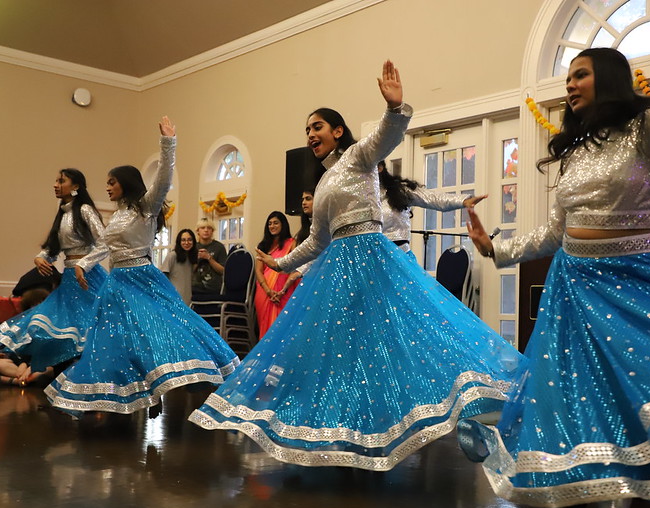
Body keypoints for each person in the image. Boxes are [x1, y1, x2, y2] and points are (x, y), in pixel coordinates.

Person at [460, 3, 650, 508]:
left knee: (644, 400)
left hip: (636, 284)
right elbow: (553, 231)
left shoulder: (647, 132)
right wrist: (494, 249)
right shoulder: (574, 151)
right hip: (575, 289)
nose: (570, 85)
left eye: (580, 74)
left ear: (607, 78)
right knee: (572, 400)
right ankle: (580, 507)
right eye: (567, 77)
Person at [190, 61, 523, 471]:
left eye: (317, 127)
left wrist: (395, 109)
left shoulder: (358, 159)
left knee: (409, 340)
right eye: (307, 130)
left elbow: (386, 136)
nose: (311, 134)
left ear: (338, 132)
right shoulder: (324, 182)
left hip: (377, 261)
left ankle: (465, 416)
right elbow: (316, 241)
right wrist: (279, 260)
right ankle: (351, 430)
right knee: (345, 348)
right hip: (339, 269)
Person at [45, 117, 240, 416]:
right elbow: (103, 247)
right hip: (117, 282)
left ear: (126, 183)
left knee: (155, 333)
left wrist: (168, 143)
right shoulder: (118, 216)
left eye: (111, 182)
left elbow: (163, 177)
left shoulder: (146, 207)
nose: (107, 187)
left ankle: (174, 384)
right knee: (116, 338)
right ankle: (135, 392)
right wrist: (83, 264)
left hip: (142, 278)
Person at [0, 168, 108, 384]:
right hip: (70, 280)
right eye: (56, 180)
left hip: (88, 278)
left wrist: (83, 264)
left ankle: (93, 385)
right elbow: (53, 249)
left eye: (61, 181)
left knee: (90, 331)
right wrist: (40, 258)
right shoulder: (63, 213)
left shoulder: (85, 210)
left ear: (76, 186)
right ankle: (62, 389)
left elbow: (104, 243)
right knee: (59, 333)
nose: (55, 184)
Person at [377, 160, 484, 256]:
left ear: (379, 168)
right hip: (369, 260)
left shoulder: (399, 190)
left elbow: (432, 198)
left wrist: (463, 201)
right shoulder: (362, 199)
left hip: (400, 257)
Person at [254, 211, 298, 338]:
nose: (272, 226)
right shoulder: (263, 246)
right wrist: (268, 291)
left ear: (283, 224)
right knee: (265, 328)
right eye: (270, 224)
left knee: (284, 326)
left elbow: (295, 267)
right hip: (264, 291)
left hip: (285, 290)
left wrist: (282, 291)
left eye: (276, 223)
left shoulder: (292, 243)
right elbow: (258, 271)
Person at [161, 228, 198, 305]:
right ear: (179, 242)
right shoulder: (172, 255)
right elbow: (163, 276)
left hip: (187, 299)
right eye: (183, 240)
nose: (187, 243)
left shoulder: (191, 258)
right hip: (173, 298)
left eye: (189, 240)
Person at [192, 218, 227, 298]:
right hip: (195, 288)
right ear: (198, 231)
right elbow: (188, 271)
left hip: (214, 288)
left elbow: (223, 271)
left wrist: (209, 258)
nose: (206, 230)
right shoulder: (193, 247)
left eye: (209, 228)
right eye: (203, 228)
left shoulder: (219, 247)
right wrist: (197, 260)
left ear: (212, 231)